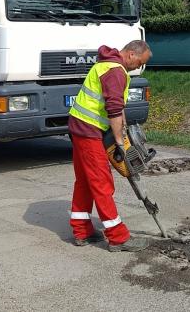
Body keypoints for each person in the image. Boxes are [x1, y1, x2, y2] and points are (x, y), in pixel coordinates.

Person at [68, 40, 153, 252]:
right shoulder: (115, 71)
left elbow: (116, 105)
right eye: (139, 63)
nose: (138, 68)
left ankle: (82, 231)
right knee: (101, 182)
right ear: (132, 54)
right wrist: (119, 142)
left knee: (85, 181)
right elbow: (113, 109)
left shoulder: (105, 64)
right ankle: (118, 237)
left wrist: (122, 129)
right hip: (89, 131)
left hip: (78, 126)